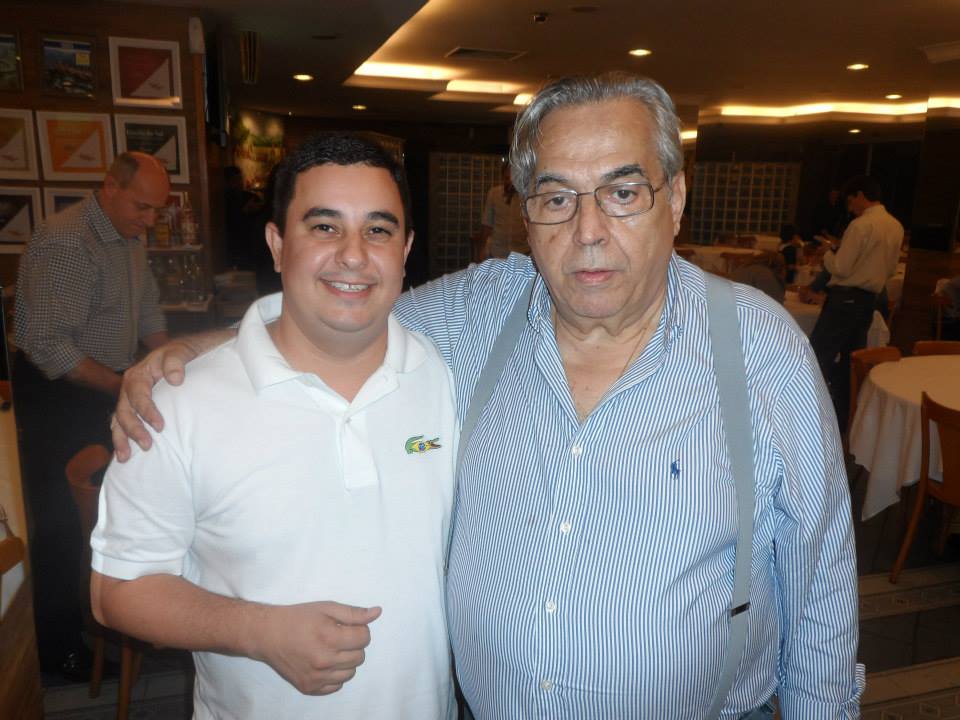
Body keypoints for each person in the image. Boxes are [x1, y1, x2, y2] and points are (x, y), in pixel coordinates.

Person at [113, 73, 862, 718]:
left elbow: (820, 586)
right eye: (556, 197)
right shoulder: (474, 316)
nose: (589, 230)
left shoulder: (759, 349)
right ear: (525, 214)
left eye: (623, 192)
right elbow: (342, 304)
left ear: (676, 199)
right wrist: (201, 349)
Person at [90, 134, 457, 719]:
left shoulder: (447, 375)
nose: (354, 255)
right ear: (277, 244)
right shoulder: (179, 403)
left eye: (378, 230)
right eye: (325, 227)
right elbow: (118, 591)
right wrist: (259, 631)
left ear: (406, 248)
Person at [13, 151, 171, 679]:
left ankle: (111, 618)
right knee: (60, 521)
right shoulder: (66, 240)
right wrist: (125, 385)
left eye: (157, 210)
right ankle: (57, 647)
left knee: (108, 511)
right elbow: (45, 343)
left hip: (102, 384)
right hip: (56, 392)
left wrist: (175, 363)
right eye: (143, 207)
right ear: (110, 187)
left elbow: (147, 310)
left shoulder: (129, 235)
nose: (150, 219)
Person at [809, 175, 903, 431]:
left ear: (860, 195)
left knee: (817, 356)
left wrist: (828, 253)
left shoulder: (861, 225)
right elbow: (891, 269)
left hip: (844, 299)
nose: (850, 208)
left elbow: (841, 267)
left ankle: (808, 418)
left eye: (850, 202)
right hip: (867, 301)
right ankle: (843, 423)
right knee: (850, 364)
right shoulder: (895, 226)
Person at [475, 161, 527, 259]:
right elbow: (486, 224)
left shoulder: (525, 196)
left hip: (521, 253)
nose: (510, 182)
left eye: (514, 178)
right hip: (497, 252)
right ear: (502, 177)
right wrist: (481, 250)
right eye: (507, 178)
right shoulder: (494, 194)